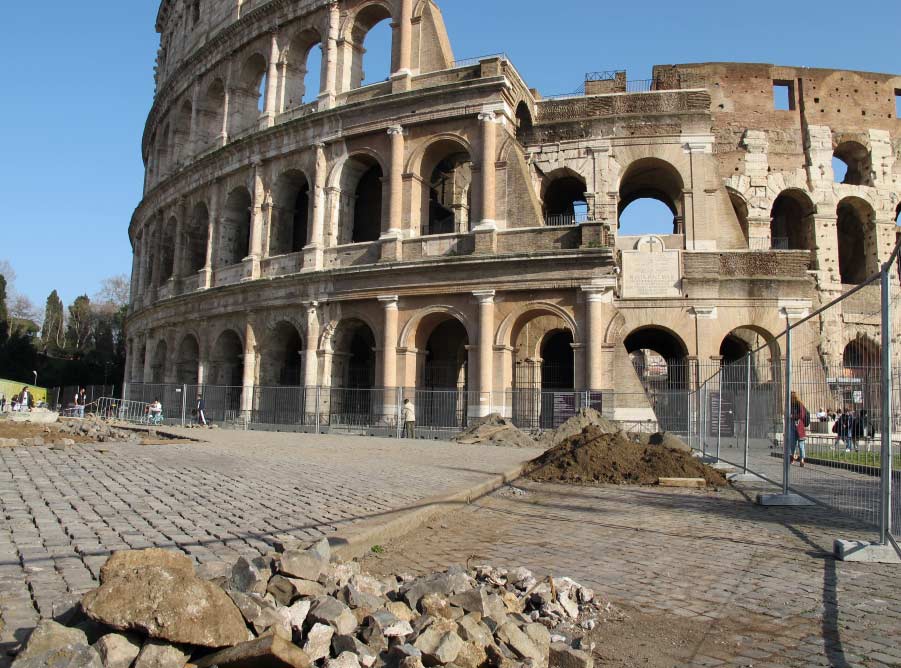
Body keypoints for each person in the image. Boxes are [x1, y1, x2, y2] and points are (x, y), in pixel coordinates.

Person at [790, 391, 809, 467]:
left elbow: (802, 415)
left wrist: (793, 416)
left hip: (799, 425)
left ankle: (802, 459)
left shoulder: (799, 404)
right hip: (791, 425)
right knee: (792, 443)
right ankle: (793, 456)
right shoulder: (789, 405)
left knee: (801, 444)